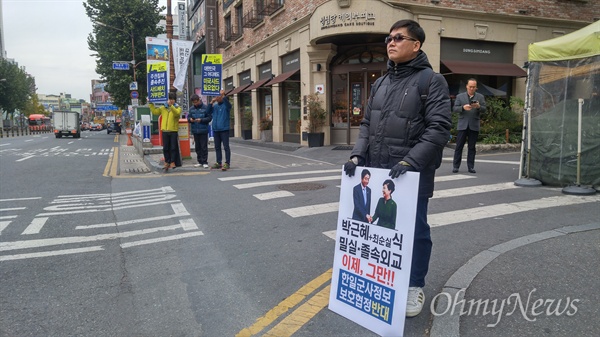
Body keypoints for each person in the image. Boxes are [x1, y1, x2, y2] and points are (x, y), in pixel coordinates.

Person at [343, 19, 451, 318]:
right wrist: (356, 157)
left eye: (399, 38)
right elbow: (367, 125)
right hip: (378, 173)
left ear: (416, 45)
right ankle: (385, 278)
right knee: (380, 231)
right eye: (388, 38)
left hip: (410, 176)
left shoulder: (431, 81)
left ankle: (414, 285)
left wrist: (410, 161)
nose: (391, 42)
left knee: (414, 231)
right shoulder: (380, 82)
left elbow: (439, 129)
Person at [452, 78, 486, 173]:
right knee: (459, 146)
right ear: (467, 86)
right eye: (470, 86)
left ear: (476, 87)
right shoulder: (460, 96)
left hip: (474, 124)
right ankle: (456, 166)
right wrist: (463, 108)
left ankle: (471, 167)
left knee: (472, 147)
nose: (471, 88)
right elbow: (454, 108)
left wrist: (479, 107)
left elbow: (484, 109)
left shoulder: (480, 97)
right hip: (462, 124)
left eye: (473, 87)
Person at [149, 91, 182, 172]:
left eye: (172, 99)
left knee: (173, 147)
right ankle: (167, 161)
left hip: (173, 130)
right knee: (165, 148)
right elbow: (155, 112)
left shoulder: (177, 108)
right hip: (165, 130)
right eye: (170, 99)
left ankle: (173, 162)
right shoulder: (163, 108)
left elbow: (177, 114)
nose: (171, 101)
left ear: (175, 100)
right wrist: (150, 103)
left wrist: (171, 106)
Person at [187, 94, 213, 168]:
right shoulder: (191, 109)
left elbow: (209, 118)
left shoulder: (205, 107)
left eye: (196, 102)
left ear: (199, 100)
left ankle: (205, 161)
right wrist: (190, 120)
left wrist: (201, 120)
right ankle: (200, 161)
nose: (195, 104)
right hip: (195, 130)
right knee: (197, 147)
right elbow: (188, 117)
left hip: (203, 130)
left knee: (203, 147)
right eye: (194, 103)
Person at [210, 89, 232, 171]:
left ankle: (227, 163)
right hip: (216, 129)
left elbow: (228, 104)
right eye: (216, 96)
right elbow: (208, 112)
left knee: (226, 146)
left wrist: (223, 95)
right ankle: (218, 162)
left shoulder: (226, 106)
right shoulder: (215, 106)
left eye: (218, 96)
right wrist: (211, 103)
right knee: (217, 147)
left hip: (224, 129)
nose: (217, 98)